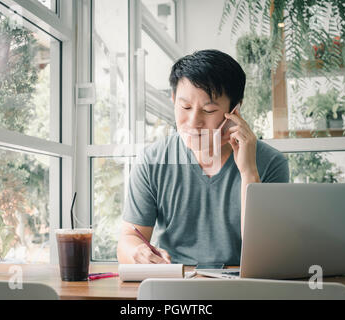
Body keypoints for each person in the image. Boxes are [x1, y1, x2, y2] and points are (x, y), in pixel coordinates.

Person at [117, 49, 289, 265]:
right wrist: (137, 251)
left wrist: (248, 172)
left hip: (244, 286)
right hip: (175, 282)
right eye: (185, 107)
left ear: (235, 110)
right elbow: (128, 239)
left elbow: (266, 252)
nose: (193, 121)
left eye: (208, 110)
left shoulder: (271, 163)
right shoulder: (152, 161)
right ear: (173, 99)